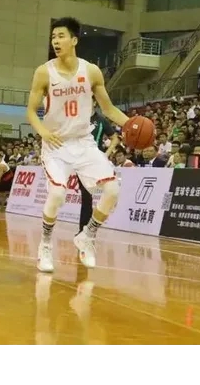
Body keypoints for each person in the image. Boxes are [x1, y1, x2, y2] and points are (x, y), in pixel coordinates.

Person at [26, 17, 129, 272]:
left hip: (83, 142)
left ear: (74, 40)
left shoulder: (91, 71)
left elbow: (109, 109)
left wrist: (132, 124)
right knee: (57, 194)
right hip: (56, 145)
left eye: (60, 36)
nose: (55, 41)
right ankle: (45, 245)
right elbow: (31, 111)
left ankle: (87, 236)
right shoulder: (44, 72)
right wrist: (43, 132)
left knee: (113, 190)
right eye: (53, 37)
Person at [77, 97, 119, 234]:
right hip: (82, 162)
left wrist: (106, 153)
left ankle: (93, 225)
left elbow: (115, 138)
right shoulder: (78, 120)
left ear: (95, 102)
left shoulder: (101, 120)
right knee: (86, 196)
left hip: (98, 161)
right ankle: (84, 230)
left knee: (110, 191)